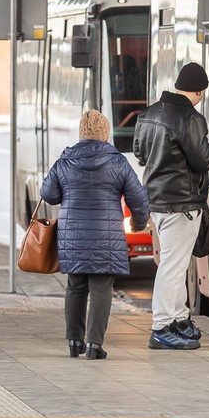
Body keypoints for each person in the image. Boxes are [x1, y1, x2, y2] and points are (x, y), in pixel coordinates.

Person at [40, 109, 150, 360]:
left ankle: (74, 341)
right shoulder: (117, 162)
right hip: (105, 237)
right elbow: (139, 199)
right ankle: (94, 344)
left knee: (75, 286)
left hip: (73, 236)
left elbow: (48, 194)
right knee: (101, 288)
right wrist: (138, 223)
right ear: (106, 133)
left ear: (81, 132)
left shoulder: (65, 160)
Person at [134, 62, 209, 350]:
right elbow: (204, 160)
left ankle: (178, 318)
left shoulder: (148, 114)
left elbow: (140, 154)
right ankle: (161, 327)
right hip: (182, 204)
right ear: (199, 91)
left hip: (157, 202)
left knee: (175, 263)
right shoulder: (190, 118)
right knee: (173, 267)